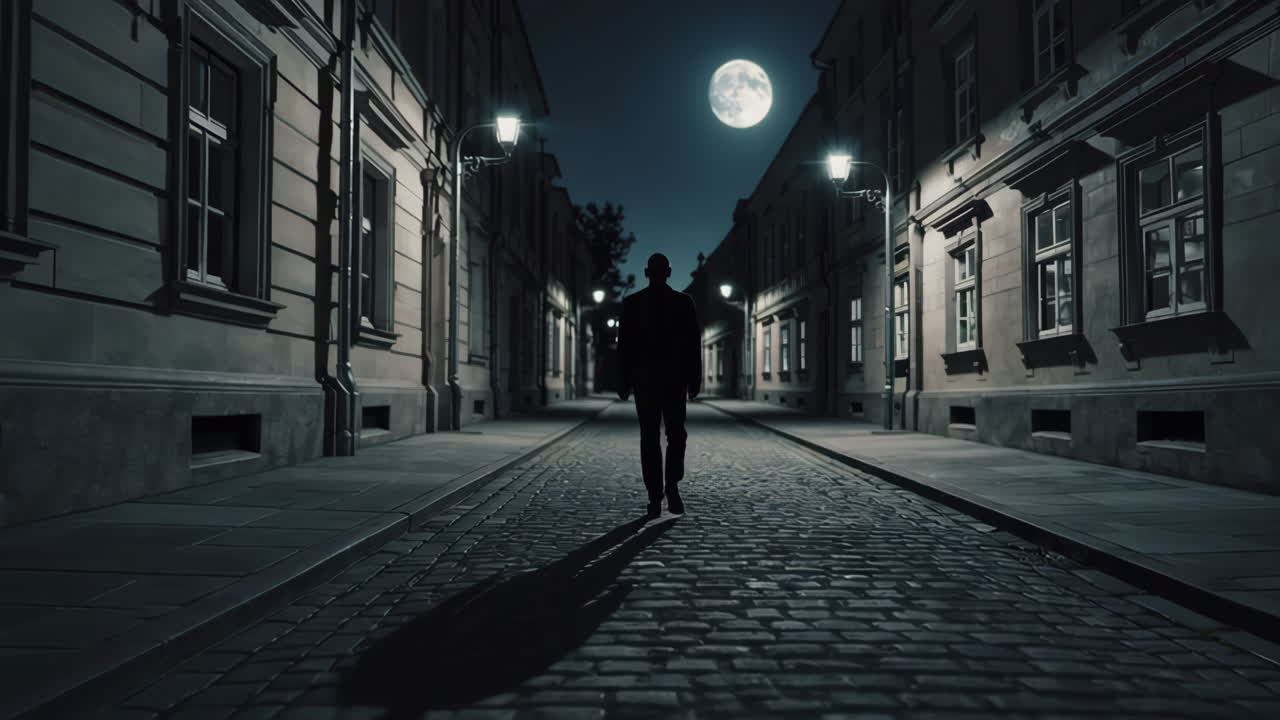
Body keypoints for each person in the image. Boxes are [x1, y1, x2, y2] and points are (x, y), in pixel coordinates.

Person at [616, 253, 702, 517]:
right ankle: (670, 487)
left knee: (650, 438)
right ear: (669, 272)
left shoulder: (632, 303)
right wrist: (694, 379)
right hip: (673, 380)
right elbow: (692, 345)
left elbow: (624, 348)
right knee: (675, 435)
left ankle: (656, 495)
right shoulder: (683, 302)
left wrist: (623, 380)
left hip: (646, 380)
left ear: (646, 272)